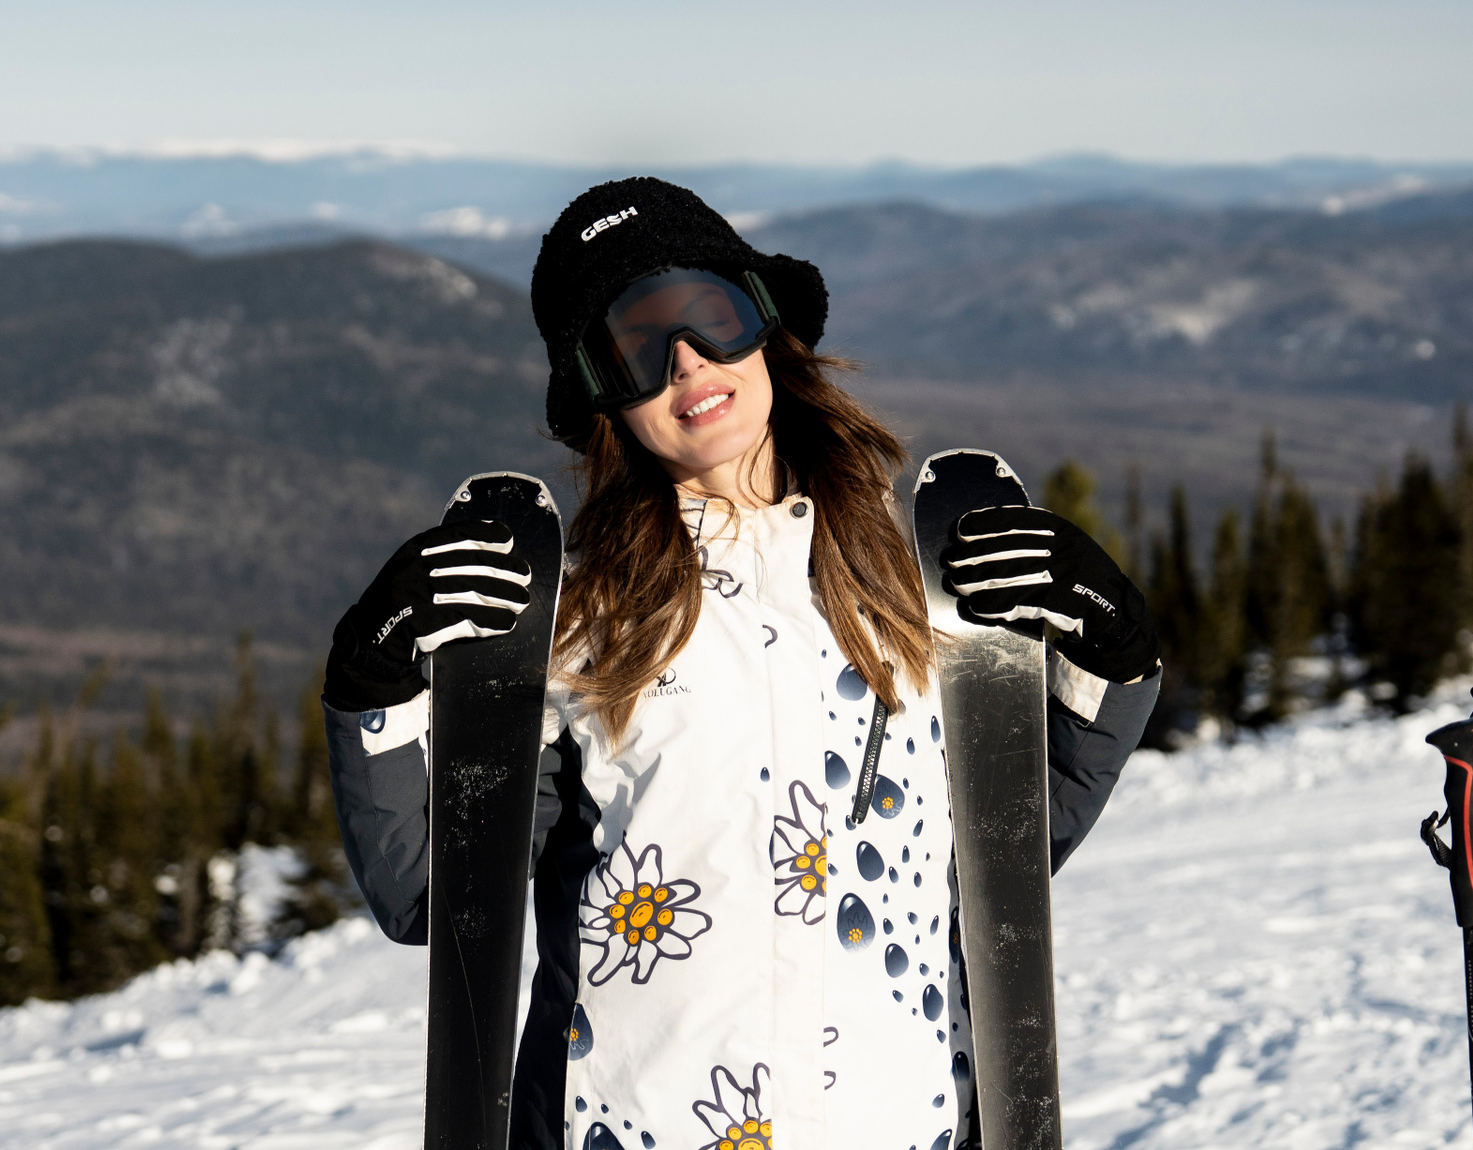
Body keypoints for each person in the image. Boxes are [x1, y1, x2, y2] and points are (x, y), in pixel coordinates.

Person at [321, 178, 1160, 1150]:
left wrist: (1112, 655)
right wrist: (373, 685)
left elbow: (1005, 851)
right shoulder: (581, 629)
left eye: (707, 313)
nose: (685, 360)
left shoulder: (915, 586)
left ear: (764, 325)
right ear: (602, 398)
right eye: (635, 345)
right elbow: (435, 896)